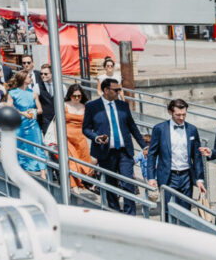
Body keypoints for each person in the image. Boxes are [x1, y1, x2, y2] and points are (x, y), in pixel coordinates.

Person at [82, 77, 145, 215]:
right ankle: (115, 213)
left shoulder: (123, 105)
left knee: (128, 183)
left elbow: (132, 127)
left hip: (124, 152)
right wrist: (96, 138)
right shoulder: (92, 107)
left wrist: (144, 146)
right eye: (116, 90)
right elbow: (85, 129)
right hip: (106, 152)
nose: (118, 92)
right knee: (110, 186)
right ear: (106, 90)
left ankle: (130, 216)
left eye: (119, 89)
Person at [145, 98, 206, 209]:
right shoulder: (159, 129)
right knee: (168, 211)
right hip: (168, 177)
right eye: (178, 115)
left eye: (184, 114)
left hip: (186, 176)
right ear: (170, 112)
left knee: (186, 212)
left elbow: (196, 157)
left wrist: (200, 179)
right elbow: (152, 154)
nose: (182, 118)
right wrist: (151, 177)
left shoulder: (192, 129)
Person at [5, 69, 47, 177]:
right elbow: (9, 107)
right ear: (23, 79)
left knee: (38, 146)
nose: (31, 78)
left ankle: (43, 173)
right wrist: (22, 113)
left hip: (32, 124)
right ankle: (20, 170)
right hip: (19, 124)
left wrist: (30, 112)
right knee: (20, 146)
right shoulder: (12, 93)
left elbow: (40, 109)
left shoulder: (33, 92)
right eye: (29, 76)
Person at [62, 83, 95, 188]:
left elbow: (91, 123)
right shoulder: (64, 105)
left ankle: (82, 184)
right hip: (67, 137)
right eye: (74, 95)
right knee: (72, 163)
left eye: (79, 96)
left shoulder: (86, 107)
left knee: (84, 162)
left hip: (80, 138)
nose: (76, 98)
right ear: (70, 95)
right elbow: (56, 122)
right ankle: (74, 187)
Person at [33, 63, 56, 135]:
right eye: (41, 74)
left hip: (58, 118)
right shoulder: (37, 87)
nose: (43, 76)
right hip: (45, 119)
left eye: (46, 74)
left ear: (52, 74)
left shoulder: (60, 86)